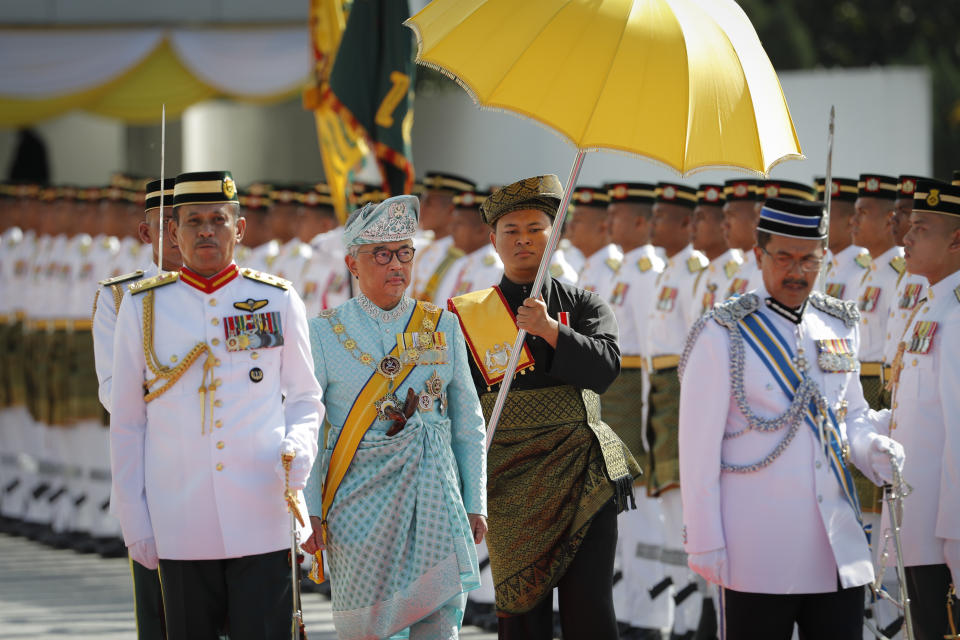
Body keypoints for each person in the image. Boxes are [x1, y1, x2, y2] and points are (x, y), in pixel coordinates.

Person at [110, 171, 323, 639]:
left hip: (261, 510)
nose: (207, 230)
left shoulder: (277, 298)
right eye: (194, 221)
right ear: (175, 232)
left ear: (240, 229)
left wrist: (298, 449)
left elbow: (306, 397)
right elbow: (127, 423)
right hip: (179, 516)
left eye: (218, 220)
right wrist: (135, 520)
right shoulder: (142, 308)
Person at [678, 196, 904, 640]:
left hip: (834, 543)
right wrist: (705, 540)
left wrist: (871, 445)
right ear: (759, 255)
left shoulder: (838, 323)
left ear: (824, 258)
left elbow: (850, 414)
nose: (797, 272)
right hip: (756, 548)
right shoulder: (722, 332)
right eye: (783, 257)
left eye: (809, 260)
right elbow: (697, 450)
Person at [448, 174, 640, 640]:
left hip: (583, 474)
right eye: (510, 231)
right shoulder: (465, 315)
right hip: (509, 480)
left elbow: (605, 370)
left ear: (556, 238)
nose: (523, 240)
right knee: (520, 612)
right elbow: (458, 405)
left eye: (536, 228)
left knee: (589, 607)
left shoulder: (586, 305)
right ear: (493, 241)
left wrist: (552, 331)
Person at [300, 194, 486, 639]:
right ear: (352, 263)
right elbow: (308, 425)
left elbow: (467, 422)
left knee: (438, 627)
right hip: (357, 507)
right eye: (381, 255)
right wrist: (309, 510)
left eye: (405, 253)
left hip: (436, 502)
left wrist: (475, 500)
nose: (396, 265)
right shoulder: (324, 331)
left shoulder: (442, 326)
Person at [92, 178, 181, 640]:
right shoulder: (121, 297)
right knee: (161, 606)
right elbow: (114, 392)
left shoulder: (243, 294)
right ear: (147, 235)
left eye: (187, 222)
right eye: (166, 226)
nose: (181, 234)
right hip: (156, 469)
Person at [883, 178, 960, 639]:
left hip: (944, 536)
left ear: (956, 239)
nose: (906, 238)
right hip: (921, 528)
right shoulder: (933, 305)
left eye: (921, 228)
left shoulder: (954, 316)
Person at [601, 181, 671, 637]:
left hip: (635, 408)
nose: (610, 224)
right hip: (613, 406)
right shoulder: (621, 267)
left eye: (618, 216)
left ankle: (653, 615)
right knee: (619, 514)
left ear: (642, 223)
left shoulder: (647, 270)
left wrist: (648, 424)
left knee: (644, 514)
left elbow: (648, 355)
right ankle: (628, 609)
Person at [410, 172, 476, 301]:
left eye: (429, 204)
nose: (421, 209)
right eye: (422, 201)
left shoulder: (462, 256)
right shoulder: (420, 247)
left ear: (451, 210)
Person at [816, 176, 871, 300]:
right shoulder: (822, 266)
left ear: (850, 221)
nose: (819, 224)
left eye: (825, 218)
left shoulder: (865, 270)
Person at [567, 185, 622, 300]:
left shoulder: (611, 271)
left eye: (577, 220)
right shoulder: (590, 264)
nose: (570, 226)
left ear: (602, 227)